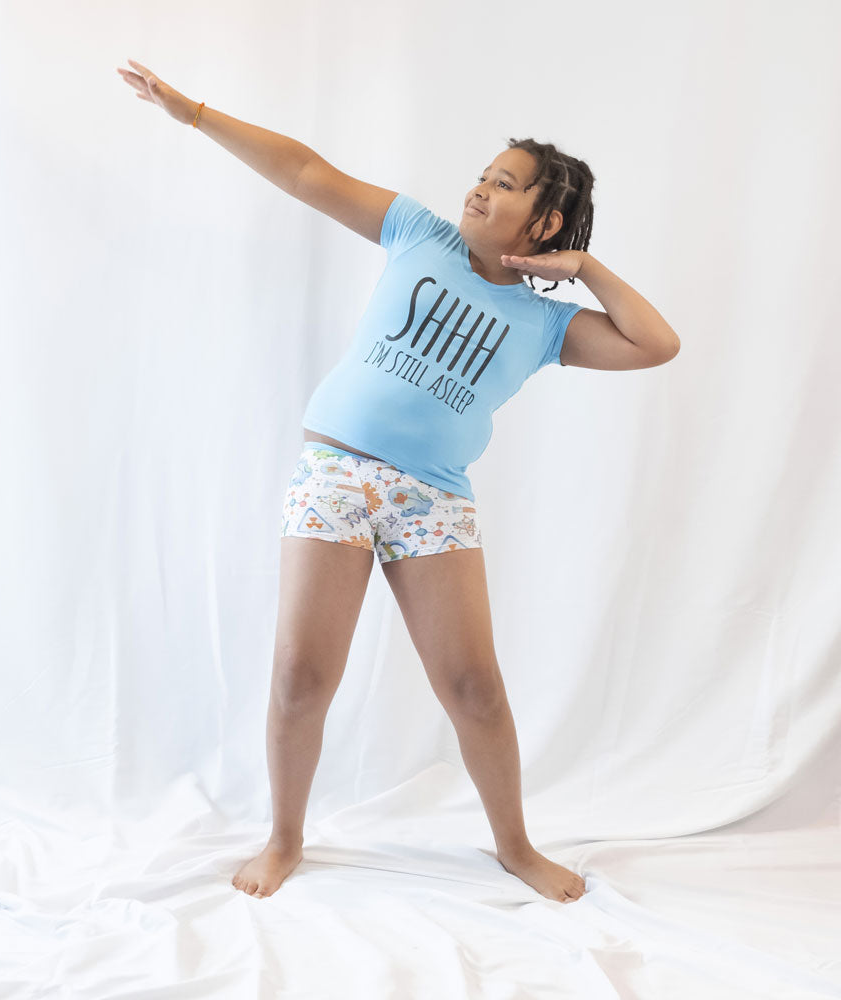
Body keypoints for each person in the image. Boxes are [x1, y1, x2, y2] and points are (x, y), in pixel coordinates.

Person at [118, 59, 681, 904]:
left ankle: (515, 845)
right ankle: (283, 837)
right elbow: (307, 173)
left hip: (432, 498)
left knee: (474, 688)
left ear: (548, 217)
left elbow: (656, 343)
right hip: (335, 472)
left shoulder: (546, 322)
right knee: (300, 674)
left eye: (506, 185)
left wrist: (587, 270)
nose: (481, 191)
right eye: (484, 177)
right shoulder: (419, 234)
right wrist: (194, 113)